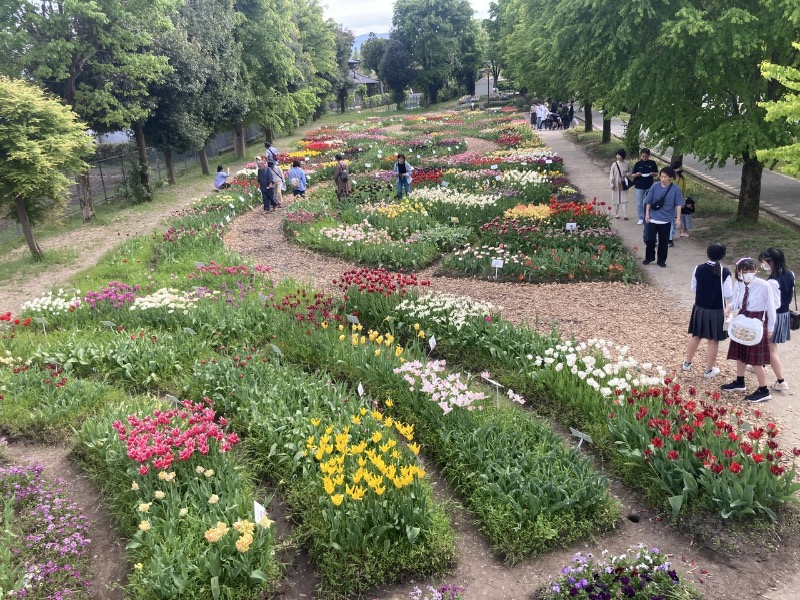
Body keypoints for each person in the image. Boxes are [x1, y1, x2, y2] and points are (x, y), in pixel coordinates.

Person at [721, 257, 777, 403]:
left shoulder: (764, 285)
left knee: (756, 359)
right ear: (739, 272)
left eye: (751, 271)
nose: (748, 274)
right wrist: (729, 307)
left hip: (756, 321)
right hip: (742, 318)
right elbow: (739, 301)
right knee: (740, 353)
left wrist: (770, 328)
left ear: (756, 270)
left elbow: (771, 308)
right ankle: (740, 381)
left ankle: (763, 390)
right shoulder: (740, 284)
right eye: (745, 271)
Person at [682, 243, 733, 378]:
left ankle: (687, 363)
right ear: (722, 256)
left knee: (696, 336)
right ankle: (708, 370)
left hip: (700, 308)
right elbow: (728, 294)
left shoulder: (698, 268)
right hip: (716, 310)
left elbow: (693, 288)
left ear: (707, 254)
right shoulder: (725, 272)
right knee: (713, 340)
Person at [759, 248, 795, 391]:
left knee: (772, 349)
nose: (763, 264)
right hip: (785, 314)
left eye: (764, 261)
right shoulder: (790, 274)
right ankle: (762, 365)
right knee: (768, 345)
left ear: (771, 261)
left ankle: (781, 381)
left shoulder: (773, 281)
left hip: (775, 316)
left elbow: (773, 304)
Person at [642, 166, 684, 268]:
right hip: (653, 218)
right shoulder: (654, 187)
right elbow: (649, 201)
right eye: (661, 177)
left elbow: (679, 204)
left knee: (664, 242)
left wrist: (678, 219)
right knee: (650, 240)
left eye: (665, 177)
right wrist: (647, 214)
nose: (663, 179)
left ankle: (661, 260)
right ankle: (649, 257)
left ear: (670, 177)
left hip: (666, 220)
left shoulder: (675, 190)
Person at [631, 148, 658, 226]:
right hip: (639, 185)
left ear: (649, 155)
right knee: (639, 203)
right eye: (643, 156)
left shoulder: (652, 163)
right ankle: (640, 218)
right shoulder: (638, 164)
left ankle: (648, 216)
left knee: (647, 202)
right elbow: (632, 175)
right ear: (641, 155)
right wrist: (636, 174)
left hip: (649, 185)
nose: (644, 158)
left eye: (646, 156)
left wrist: (653, 174)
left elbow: (657, 173)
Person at [609, 149, 631, 219]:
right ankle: (616, 213)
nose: (617, 156)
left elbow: (630, 172)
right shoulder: (614, 164)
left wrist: (626, 174)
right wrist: (611, 183)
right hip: (616, 183)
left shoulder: (627, 163)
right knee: (616, 198)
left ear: (622, 156)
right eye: (617, 155)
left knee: (625, 198)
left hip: (624, 182)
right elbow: (611, 175)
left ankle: (625, 214)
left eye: (619, 155)